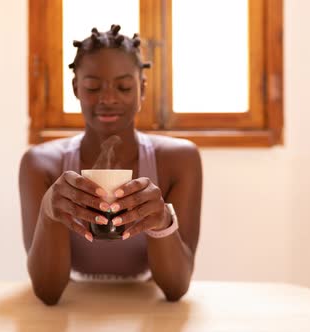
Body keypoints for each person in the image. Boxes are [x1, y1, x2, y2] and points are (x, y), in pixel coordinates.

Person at [19, 24, 202, 305]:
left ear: (142, 90)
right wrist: (49, 210)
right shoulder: (41, 164)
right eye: (93, 86)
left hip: (146, 309)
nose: (107, 98)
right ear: (75, 88)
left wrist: (161, 221)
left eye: (124, 87)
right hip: (73, 308)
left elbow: (175, 288)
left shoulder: (178, 160)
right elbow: (48, 292)